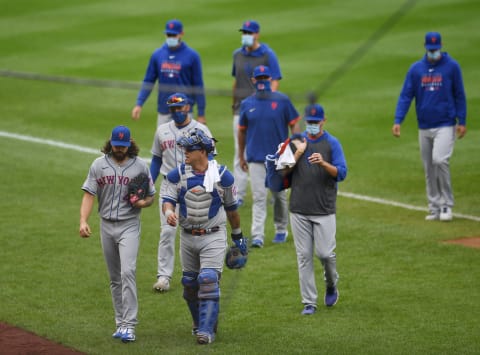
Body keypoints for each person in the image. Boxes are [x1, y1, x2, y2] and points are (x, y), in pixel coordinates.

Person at [161, 128, 247, 344]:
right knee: (189, 284)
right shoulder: (177, 174)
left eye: (189, 148)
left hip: (213, 236)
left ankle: (206, 331)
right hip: (187, 236)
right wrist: (169, 212)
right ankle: (201, 321)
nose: (184, 152)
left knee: (208, 279)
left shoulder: (223, 176)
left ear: (202, 151)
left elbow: (232, 210)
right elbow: (168, 200)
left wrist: (238, 238)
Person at [79, 126, 156, 342]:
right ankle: (120, 322)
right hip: (106, 225)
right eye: (116, 145)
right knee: (115, 278)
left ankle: (130, 325)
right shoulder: (98, 165)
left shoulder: (140, 166)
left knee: (127, 272)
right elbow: (88, 195)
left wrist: (144, 202)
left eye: (123, 146)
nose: (119, 149)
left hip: (129, 224)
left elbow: (151, 195)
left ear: (129, 143)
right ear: (111, 142)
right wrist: (83, 221)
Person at [392, 31, 467, 221]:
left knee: (440, 160)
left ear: (440, 47)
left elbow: (459, 94)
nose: (433, 52)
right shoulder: (416, 69)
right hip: (424, 125)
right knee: (429, 167)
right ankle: (433, 206)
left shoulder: (452, 67)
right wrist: (398, 120)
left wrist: (462, 120)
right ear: (425, 48)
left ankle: (446, 205)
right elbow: (406, 95)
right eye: (430, 50)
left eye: (435, 49)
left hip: (445, 123)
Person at [284, 104, 347, 315]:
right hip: (299, 208)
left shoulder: (332, 143)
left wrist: (323, 163)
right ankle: (308, 302)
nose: (311, 126)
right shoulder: (296, 142)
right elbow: (281, 171)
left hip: (324, 209)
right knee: (303, 256)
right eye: (309, 122)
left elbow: (341, 173)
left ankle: (331, 284)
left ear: (323, 121)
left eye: (315, 122)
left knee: (326, 254)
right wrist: (297, 154)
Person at [150, 93, 213, 292]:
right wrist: (149, 185)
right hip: (169, 186)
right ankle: (163, 276)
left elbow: (210, 160)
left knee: (196, 233)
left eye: (180, 108)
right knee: (167, 232)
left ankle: (200, 273)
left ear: (187, 107)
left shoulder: (201, 130)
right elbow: (156, 160)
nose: (177, 112)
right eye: (173, 109)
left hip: (195, 188)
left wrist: (210, 187)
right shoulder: (161, 131)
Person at [238, 65, 301, 248]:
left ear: (271, 79)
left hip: (279, 158)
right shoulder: (246, 104)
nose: (262, 81)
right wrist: (242, 156)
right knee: (259, 197)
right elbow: (241, 132)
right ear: (253, 80)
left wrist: (295, 146)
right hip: (256, 158)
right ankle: (257, 235)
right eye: (260, 78)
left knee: (279, 196)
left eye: (266, 77)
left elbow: (295, 124)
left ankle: (281, 229)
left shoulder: (282, 100)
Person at [231, 20, 282, 205]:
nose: (245, 35)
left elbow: (275, 81)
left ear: (257, 34)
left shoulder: (268, 55)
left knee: (267, 152)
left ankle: (272, 191)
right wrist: (233, 104)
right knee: (240, 152)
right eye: (243, 31)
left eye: (249, 32)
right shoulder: (237, 54)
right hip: (241, 110)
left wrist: (269, 105)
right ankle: (239, 195)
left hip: (263, 112)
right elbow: (236, 82)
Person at [132, 19, 206, 127]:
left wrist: (201, 113)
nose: (171, 38)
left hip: (184, 110)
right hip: (164, 110)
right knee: (162, 142)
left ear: (181, 34)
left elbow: (198, 85)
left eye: (173, 35)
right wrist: (139, 103)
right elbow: (148, 81)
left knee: (185, 143)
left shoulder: (192, 56)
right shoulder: (157, 55)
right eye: (168, 35)